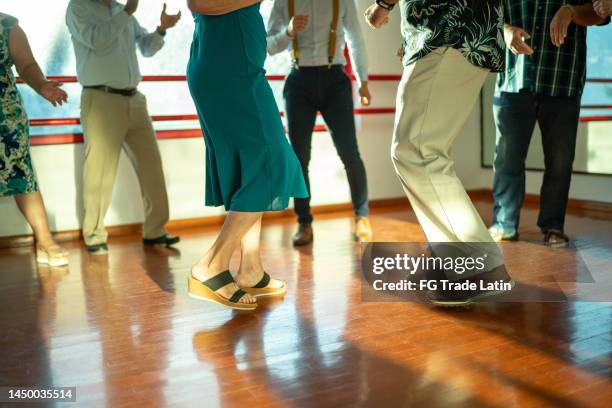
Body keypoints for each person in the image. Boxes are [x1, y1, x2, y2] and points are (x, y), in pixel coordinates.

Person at [365, 0, 513, 306]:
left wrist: (384, 4)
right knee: (427, 149)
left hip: (448, 28)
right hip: (452, 30)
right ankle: (443, 258)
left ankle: (480, 264)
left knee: (416, 151)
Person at [186, 0, 308, 310]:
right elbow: (198, 3)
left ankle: (251, 269)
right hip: (231, 71)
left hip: (230, 67)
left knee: (252, 168)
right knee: (276, 163)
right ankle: (212, 265)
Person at [65, 0, 182, 255]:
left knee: (152, 167)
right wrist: (128, 12)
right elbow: (97, 40)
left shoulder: (121, 10)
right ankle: (94, 235)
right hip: (101, 99)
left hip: (135, 100)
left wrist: (161, 30)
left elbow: (146, 48)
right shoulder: (79, 7)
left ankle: (155, 231)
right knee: (99, 173)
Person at [489, 1, 607, 247]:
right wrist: (506, 30)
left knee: (560, 162)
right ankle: (504, 224)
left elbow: (601, 12)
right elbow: (487, 17)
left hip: (562, 79)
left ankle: (553, 226)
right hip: (514, 80)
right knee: (506, 159)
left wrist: (571, 11)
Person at [267, 0, 373, 246]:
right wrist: (289, 32)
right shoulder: (284, 2)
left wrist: (363, 80)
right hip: (298, 81)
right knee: (299, 157)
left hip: (334, 79)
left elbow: (356, 37)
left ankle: (362, 217)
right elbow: (269, 46)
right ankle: (304, 222)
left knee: (350, 153)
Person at [0, 13, 69, 267]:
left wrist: (42, 85)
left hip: (5, 118)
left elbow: (26, 65)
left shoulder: (7, 26)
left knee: (21, 176)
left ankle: (44, 242)